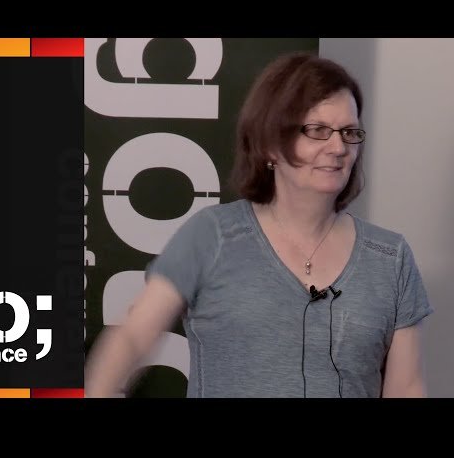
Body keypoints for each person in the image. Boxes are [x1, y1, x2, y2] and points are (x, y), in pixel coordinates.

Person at [85, 52, 434, 398]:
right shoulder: (211, 236)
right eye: (318, 131)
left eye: (349, 132)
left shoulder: (391, 258)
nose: (338, 147)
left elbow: (405, 387)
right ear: (270, 144)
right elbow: (132, 339)